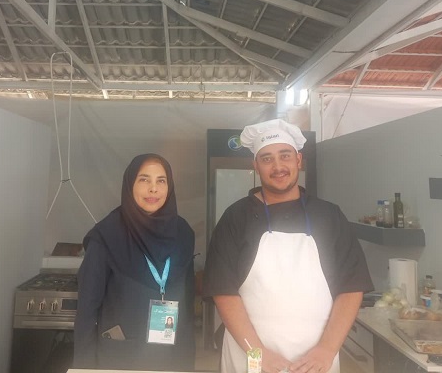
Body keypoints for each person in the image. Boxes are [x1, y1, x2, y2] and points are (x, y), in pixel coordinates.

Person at [203, 119, 373, 373]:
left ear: (298, 160)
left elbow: (351, 287)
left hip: (316, 360)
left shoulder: (329, 216)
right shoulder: (236, 217)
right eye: (267, 159)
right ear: (255, 165)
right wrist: (257, 352)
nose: (278, 167)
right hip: (250, 357)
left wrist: (327, 349)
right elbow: (223, 290)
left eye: (285, 156)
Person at [74, 153, 196, 371]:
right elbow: (87, 310)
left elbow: (187, 303)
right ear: (130, 184)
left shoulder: (183, 233)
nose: (153, 189)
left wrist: (187, 361)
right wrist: (84, 368)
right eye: (144, 179)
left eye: (161, 181)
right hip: (120, 358)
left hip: (171, 355)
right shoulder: (107, 236)